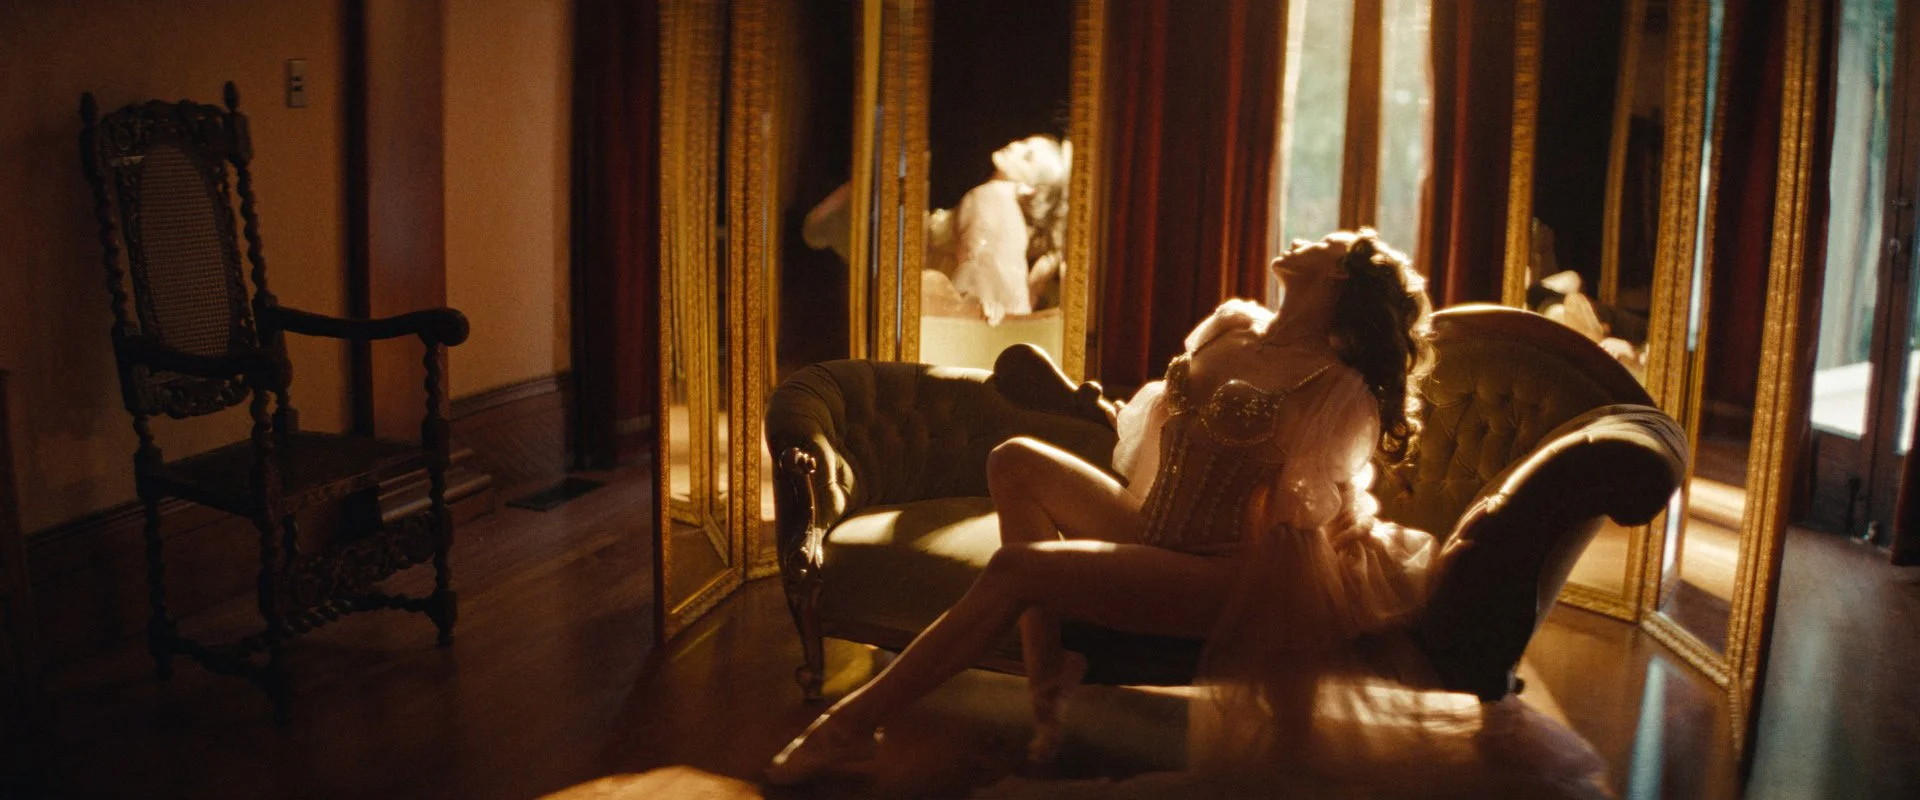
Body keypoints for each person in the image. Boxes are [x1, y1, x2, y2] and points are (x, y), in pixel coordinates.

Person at [767, 230, 1608, 796]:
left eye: (1320, 243)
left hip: (1224, 567)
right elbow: (1150, 434)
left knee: (1021, 566)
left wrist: (1304, 514)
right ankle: (1049, 673)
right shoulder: (1232, 329)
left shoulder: (1339, 385)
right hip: (1153, 522)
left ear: (1340, 278)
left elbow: (1311, 504)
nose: (1299, 241)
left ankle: (851, 725)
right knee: (1014, 457)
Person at [922, 134, 1071, 324]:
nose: (1015, 146)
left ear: (1030, 188)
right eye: (1024, 143)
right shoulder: (1004, 204)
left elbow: (982, 263)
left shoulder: (993, 196)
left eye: (1027, 158)